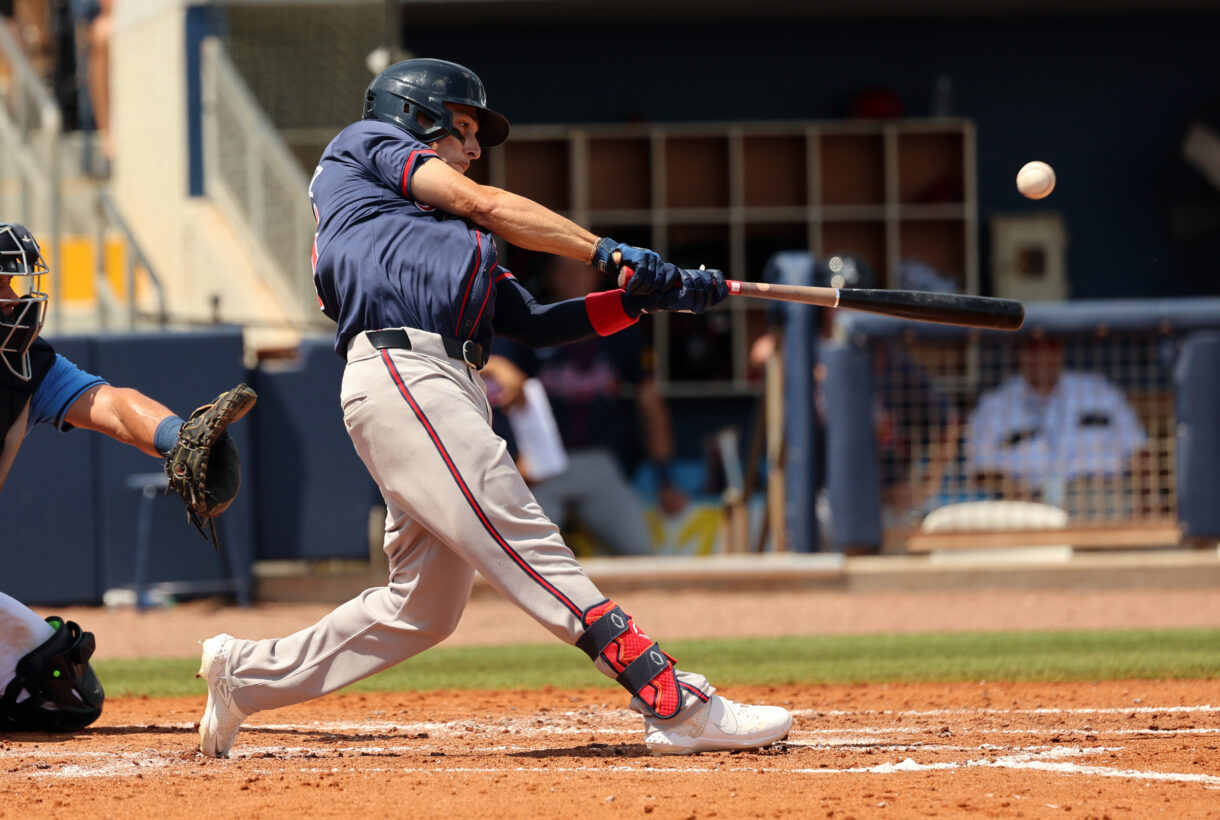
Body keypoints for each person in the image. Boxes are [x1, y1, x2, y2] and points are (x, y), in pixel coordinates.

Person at [195, 57, 793, 759]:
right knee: (523, 535)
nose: (475, 150)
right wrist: (609, 252)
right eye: (465, 128)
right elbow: (489, 203)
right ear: (416, 116)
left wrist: (642, 301)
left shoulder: (435, 234)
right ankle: (670, 697)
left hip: (436, 382)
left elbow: (535, 321)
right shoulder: (363, 145)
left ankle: (244, 676)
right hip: (404, 372)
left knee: (422, 608)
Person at [0, 222, 251, 732]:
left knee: (59, 688)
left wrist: (179, 439)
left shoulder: (29, 366)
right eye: (2, 285)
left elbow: (110, 405)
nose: (15, 298)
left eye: (15, 283)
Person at [482, 256, 686, 557]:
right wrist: (513, 456)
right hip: (541, 467)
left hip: (598, 462)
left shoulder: (621, 324)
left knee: (641, 553)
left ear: (596, 277)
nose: (572, 279)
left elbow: (650, 401)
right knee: (520, 558)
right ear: (549, 276)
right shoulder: (532, 322)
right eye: (563, 271)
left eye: (580, 272)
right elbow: (491, 373)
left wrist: (665, 480)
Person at [965, 335, 1148, 518]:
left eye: (1050, 346)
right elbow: (979, 471)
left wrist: (1145, 501)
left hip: (1101, 499)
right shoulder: (993, 405)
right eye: (1033, 347)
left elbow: (1140, 450)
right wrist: (1017, 493)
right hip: (1026, 507)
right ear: (1017, 352)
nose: (1042, 355)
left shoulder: (1098, 389)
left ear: (1060, 349)